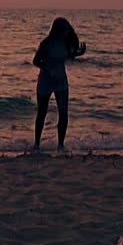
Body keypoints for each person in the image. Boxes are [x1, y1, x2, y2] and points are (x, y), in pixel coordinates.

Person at [32, 17, 86, 152]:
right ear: (57, 30)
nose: (67, 32)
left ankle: (60, 145)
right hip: (45, 81)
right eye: (65, 29)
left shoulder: (65, 43)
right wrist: (48, 69)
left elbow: (68, 56)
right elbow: (36, 61)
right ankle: (37, 144)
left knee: (63, 113)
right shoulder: (46, 44)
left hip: (61, 81)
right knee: (42, 113)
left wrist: (79, 53)